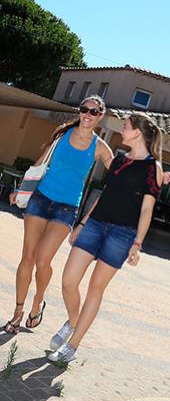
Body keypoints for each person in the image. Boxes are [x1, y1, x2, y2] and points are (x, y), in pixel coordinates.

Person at [47, 112, 166, 363]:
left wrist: (137, 243)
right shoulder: (120, 160)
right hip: (95, 225)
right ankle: (72, 321)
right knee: (69, 279)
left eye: (126, 126)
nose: (122, 130)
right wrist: (83, 223)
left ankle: (73, 345)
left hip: (122, 235)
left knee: (95, 289)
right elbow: (105, 194)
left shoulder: (153, 168)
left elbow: (147, 209)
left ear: (137, 132)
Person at [2, 95, 113, 334]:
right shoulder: (63, 135)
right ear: (80, 110)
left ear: (100, 116)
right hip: (41, 199)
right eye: (84, 109)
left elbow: (117, 182)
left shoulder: (100, 147)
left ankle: (38, 301)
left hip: (66, 208)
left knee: (43, 261)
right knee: (28, 257)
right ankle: (17, 312)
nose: (87, 115)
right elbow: (40, 163)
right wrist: (22, 190)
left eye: (94, 112)